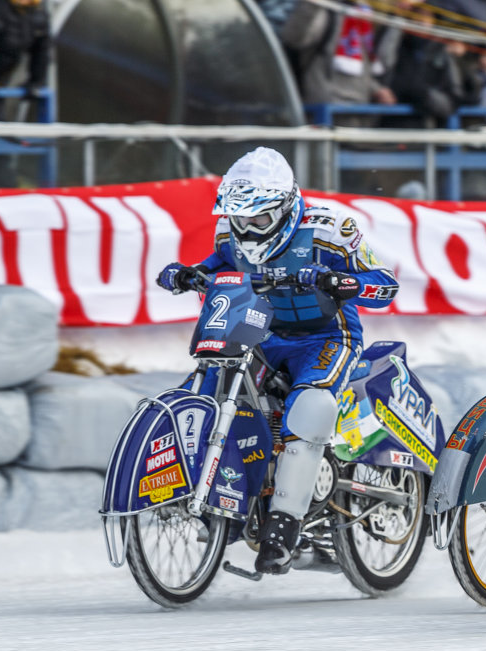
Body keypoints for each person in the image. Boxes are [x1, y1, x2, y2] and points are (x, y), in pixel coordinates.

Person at [156, 147, 398, 575]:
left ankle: (284, 527)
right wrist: (188, 273)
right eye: (240, 219)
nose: (248, 230)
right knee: (214, 386)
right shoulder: (229, 234)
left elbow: (384, 285)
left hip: (326, 336)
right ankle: (226, 498)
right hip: (261, 334)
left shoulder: (331, 229)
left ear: (286, 208)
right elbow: (218, 265)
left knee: (309, 408)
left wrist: (339, 280)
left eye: (259, 220)